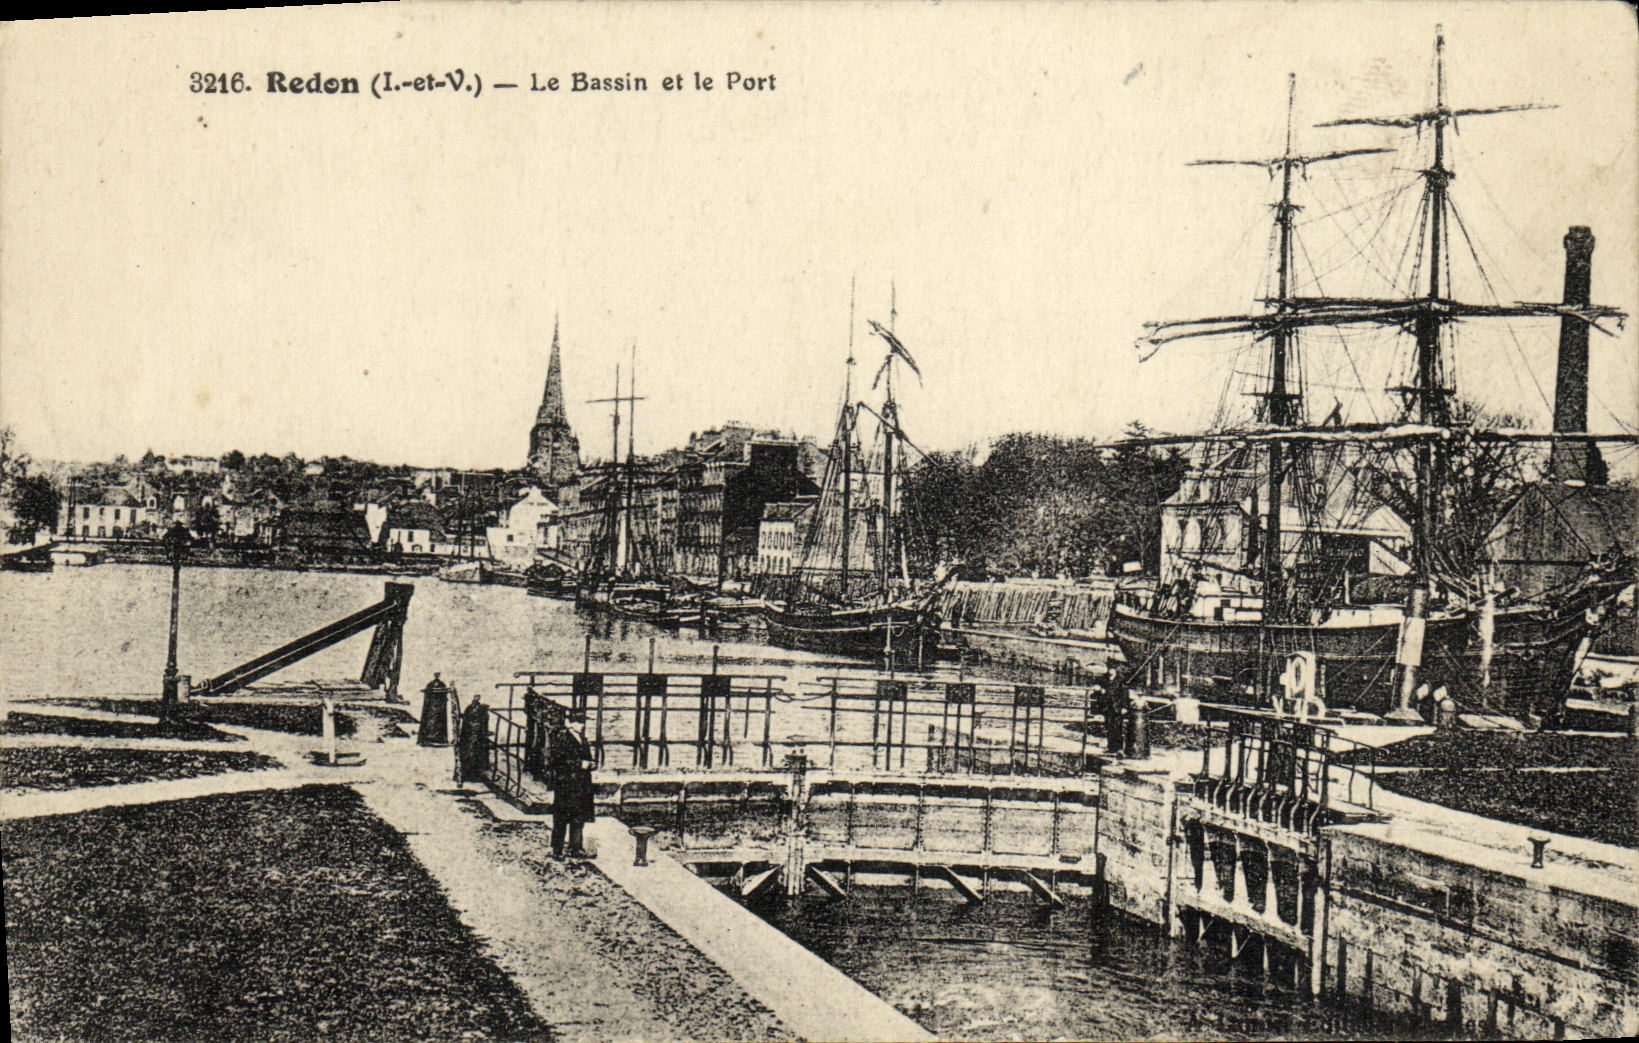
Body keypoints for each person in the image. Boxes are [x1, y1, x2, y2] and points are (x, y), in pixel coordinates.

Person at [550, 711, 596, 857]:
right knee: (562, 817)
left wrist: (591, 764)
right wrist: (579, 764)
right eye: (578, 722)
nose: (581, 726)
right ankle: (557, 849)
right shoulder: (562, 737)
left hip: (581, 784)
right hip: (566, 783)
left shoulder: (582, 738)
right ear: (570, 723)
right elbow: (557, 760)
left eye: (582, 722)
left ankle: (575, 847)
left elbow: (587, 757)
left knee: (578, 816)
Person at [455, 689, 490, 787]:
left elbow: (484, 721)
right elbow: (466, 719)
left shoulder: (482, 709)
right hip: (469, 734)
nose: (476, 698)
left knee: (476, 754)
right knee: (467, 754)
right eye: (475, 696)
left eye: (478, 697)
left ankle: (475, 775)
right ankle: (466, 775)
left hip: (477, 734)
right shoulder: (469, 708)